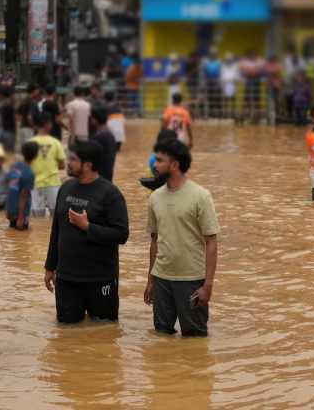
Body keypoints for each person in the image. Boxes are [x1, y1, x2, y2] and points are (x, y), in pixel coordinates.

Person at [44, 140, 131, 324]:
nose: (68, 162)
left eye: (73, 159)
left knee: (104, 334)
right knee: (67, 336)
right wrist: (50, 267)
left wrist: (87, 227)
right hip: (66, 278)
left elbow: (121, 235)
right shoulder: (65, 188)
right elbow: (56, 230)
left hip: (100, 279)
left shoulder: (110, 194)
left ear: (88, 165)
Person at [143, 139, 219, 337]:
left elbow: (211, 241)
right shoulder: (155, 197)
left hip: (191, 280)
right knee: (161, 337)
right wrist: (150, 280)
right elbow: (154, 240)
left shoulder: (201, 196)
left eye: (159, 160)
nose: (154, 165)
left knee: (195, 339)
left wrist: (208, 285)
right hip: (161, 279)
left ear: (175, 165)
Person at [29, 112, 68, 219]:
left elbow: (26, 166)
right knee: (55, 218)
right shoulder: (55, 142)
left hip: (35, 184)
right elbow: (62, 166)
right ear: (49, 124)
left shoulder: (30, 142)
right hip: (53, 183)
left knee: (37, 219)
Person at [5, 142, 39, 230]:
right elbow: (24, 196)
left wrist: (7, 208)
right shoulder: (29, 174)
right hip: (21, 213)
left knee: (13, 237)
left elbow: (9, 187)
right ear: (36, 156)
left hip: (11, 208)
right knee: (23, 237)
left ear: (22, 153)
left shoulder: (15, 166)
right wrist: (21, 218)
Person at [218, 53, 240, 119]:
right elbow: (221, 76)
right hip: (225, 84)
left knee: (233, 100)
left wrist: (236, 82)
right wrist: (222, 84)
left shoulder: (235, 66)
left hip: (232, 84)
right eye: (228, 59)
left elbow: (237, 75)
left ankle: (233, 113)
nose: (229, 60)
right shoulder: (223, 66)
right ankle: (225, 114)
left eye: (230, 59)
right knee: (225, 100)